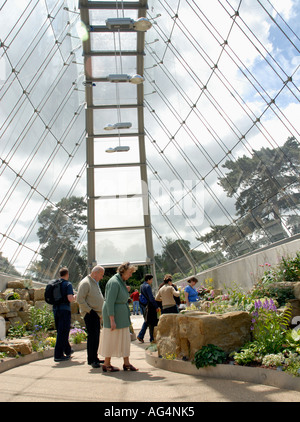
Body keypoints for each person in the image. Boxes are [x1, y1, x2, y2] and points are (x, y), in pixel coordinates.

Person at [99, 262, 139, 373]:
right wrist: (112, 320)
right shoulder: (114, 282)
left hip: (121, 317)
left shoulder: (121, 282)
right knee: (111, 339)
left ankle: (126, 363)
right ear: (123, 271)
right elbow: (110, 302)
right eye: (130, 272)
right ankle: (107, 364)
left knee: (124, 338)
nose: (131, 275)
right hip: (114, 317)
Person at [77, 265, 105, 368]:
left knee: (96, 337)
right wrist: (90, 311)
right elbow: (80, 299)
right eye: (101, 275)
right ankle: (91, 359)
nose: (102, 277)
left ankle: (95, 357)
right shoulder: (85, 283)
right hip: (90, 314)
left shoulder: (94, 282)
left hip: (95, 314)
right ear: (95, 273)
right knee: (92, 337)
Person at [53, 267, 75, 362]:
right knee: (64, 331)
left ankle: (68, 350)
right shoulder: (68, 284)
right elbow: (70, 298)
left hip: (55, 309)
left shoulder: (55, 284)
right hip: (64, 310)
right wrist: (75, 297)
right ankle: (58, 355)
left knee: (60, 330)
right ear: (67, 274)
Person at [137, 274, 159, 343]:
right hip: (150, 306)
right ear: (148, 279)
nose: (152, 281)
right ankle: (152, 338)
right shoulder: (147, 286)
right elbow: (151, 298)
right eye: (151, 279)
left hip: (144, 305)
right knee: (151, 322)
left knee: (147, 321)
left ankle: (141, 335)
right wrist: (156, 306)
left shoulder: (142, 286)